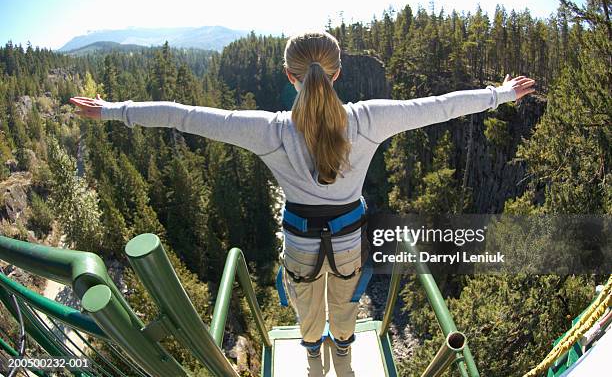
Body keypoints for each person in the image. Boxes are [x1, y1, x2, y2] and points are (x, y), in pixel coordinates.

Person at [70, 31, 535, 359]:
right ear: (337, 74)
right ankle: (345, 351)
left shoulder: (270, 131)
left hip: (300, 245)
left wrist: (114, 110)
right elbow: (438, 107)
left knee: (307, 307)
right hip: (351, 240)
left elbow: (185, 115)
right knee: (347, 305)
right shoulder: (370, 120)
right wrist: (499, 94)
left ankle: (313, 355)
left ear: (289, 76)